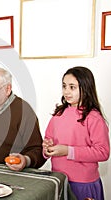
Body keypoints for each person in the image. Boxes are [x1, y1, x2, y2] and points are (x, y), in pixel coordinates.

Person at [42, 66, 110, 200]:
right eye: (64, 86)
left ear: (86, 88)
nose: (66, 91)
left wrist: (68, 151)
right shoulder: (58, 114)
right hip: (59, 179)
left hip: (83, 184)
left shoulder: (93, 117)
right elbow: (48, 140)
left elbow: (103, 152)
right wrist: (47, 148)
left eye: (72, 87)